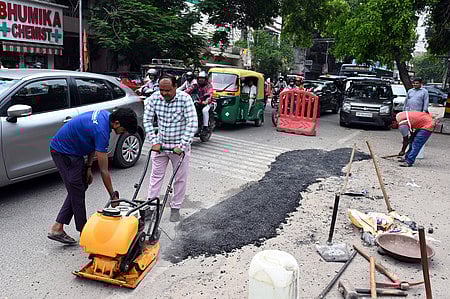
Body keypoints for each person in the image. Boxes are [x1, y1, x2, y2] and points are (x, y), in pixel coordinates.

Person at [48, 108, 138, 244]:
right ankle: (84, 232)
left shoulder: (106, 117)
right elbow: (104, 171)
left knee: (79, 187)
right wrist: (113, 195)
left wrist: (89, 168)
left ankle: (57, 227)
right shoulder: (102, 131)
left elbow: (92, 144)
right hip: (62, 151)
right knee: (77, 191)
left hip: (75, 151)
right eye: (124, 130)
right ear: (117, 123)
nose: (123, 133)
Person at [143, 75, 198, 222]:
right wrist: (154, 141)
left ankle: (175, 208)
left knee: (179, 178)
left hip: (179, 147)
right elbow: (147, 120)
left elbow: (192, 123)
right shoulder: (155, 98)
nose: (164, 93)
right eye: (161, 90)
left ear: (175, 87)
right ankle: (151, 206)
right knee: (155, 177)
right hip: (160, 145)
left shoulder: (185, 99)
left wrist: (182, 145)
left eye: (167, 90)